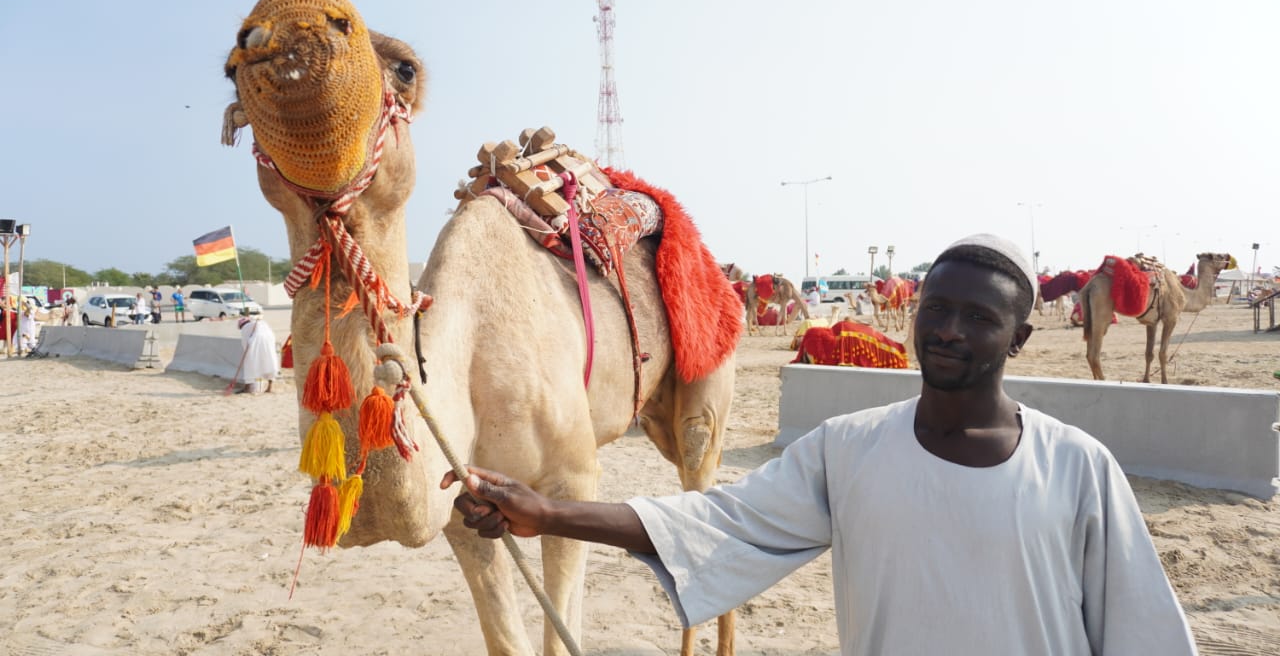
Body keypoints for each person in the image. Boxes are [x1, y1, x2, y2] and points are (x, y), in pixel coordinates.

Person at [444, 233, 1197, 655]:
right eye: (936, 310)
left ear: (1022, 337)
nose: (947, 331)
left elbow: (1142, 635)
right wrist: (548, 513)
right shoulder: (851, 450)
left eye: (978, 319)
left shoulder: (1078, 468)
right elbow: (716, 523)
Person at [236, 313, 277, 394]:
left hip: (256, 341)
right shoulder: (262, 323)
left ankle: (247, 388)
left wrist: (246, 353)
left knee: (250, 363)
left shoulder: (245, 328)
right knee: (270, 361)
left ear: (241, 325)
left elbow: (245, 344)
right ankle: (269, 387)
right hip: (269, 341)